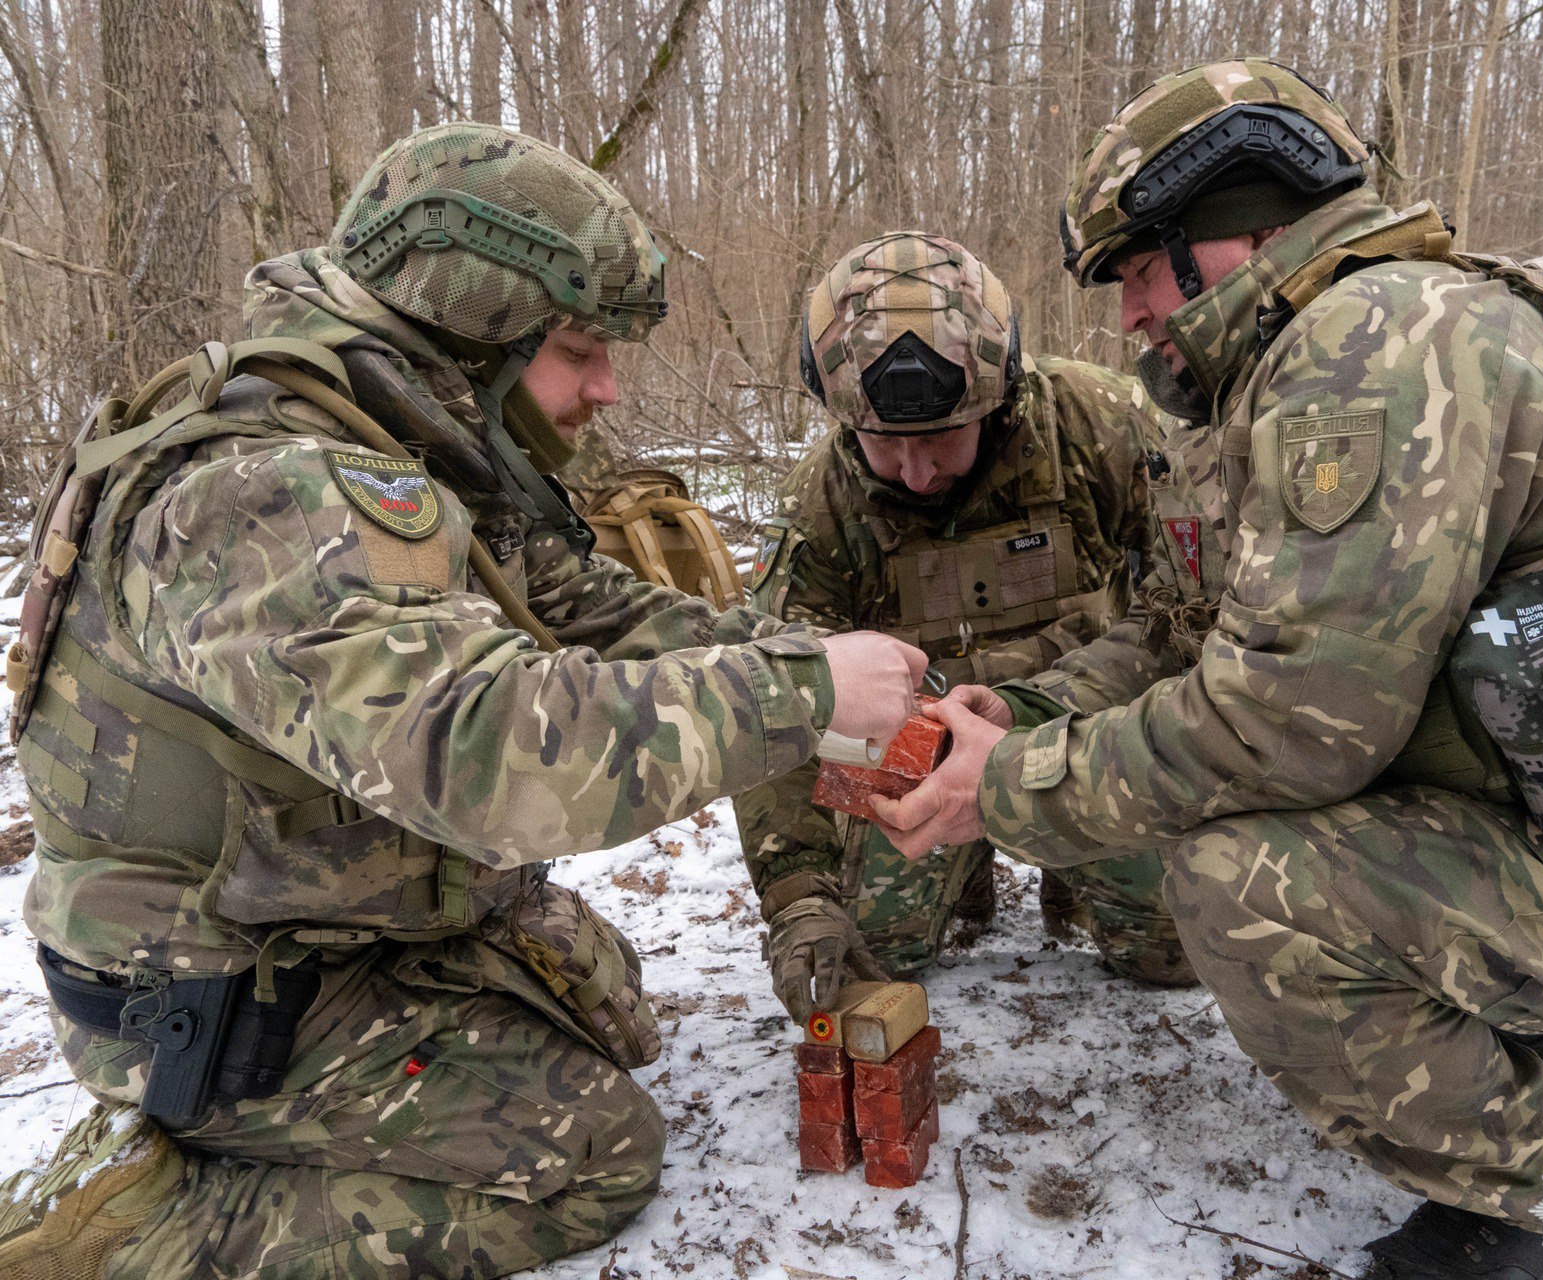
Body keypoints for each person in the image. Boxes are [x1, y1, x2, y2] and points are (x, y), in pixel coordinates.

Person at [873, 60, 1543, 1280]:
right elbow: (1183, 635)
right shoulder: (1276, 380)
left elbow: (1290, 724)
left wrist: (1006, 787)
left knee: (1240, 877)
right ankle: (1499, 1021)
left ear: (1232, 230)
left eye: (1134, 270)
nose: (1126, 316)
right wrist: (1019, 712)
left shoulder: (1378, 343)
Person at [0, 122, 924, 1279]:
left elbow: (591, 611)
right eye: (579, 349)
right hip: (202, 989)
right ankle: (142, 1231)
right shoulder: (269, 494)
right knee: (595, 1150)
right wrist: (800, 690)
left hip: (300, 917)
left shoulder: (398, 443)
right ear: (470, 328)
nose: (606, 388)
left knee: (605, 998)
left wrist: (846, 672)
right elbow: (489, 760)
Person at [737, 231, 1194, 1022]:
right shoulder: (818, 509)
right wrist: (799, 899)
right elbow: (778, 710)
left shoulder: (1101, 428)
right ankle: (962, 873)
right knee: (877, 951)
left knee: (1174, 951)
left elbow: (1189, 605)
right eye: (887, 444)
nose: (918, 474)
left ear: (1000, 396)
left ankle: (1068, 871)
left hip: (1086, 736)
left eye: (943, 438)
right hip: (909, 753)